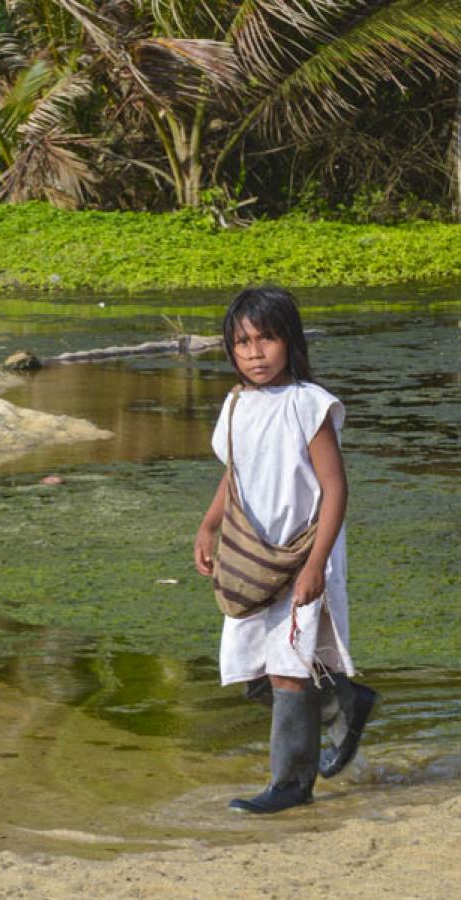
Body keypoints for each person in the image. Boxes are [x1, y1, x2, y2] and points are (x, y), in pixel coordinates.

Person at [194, 286, 377, 814]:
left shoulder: (307, 404)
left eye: (266, 339)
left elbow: (336, 487)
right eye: (242, 342)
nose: (254, 352)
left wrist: (316, 564)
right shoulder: (235, 405)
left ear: (290, 342)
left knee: (289, 667)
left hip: (303, 550)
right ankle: (344, 700)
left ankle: (292, 784)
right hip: (254, 554)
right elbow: (236, 472)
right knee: (252, 666)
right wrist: (209, 526)